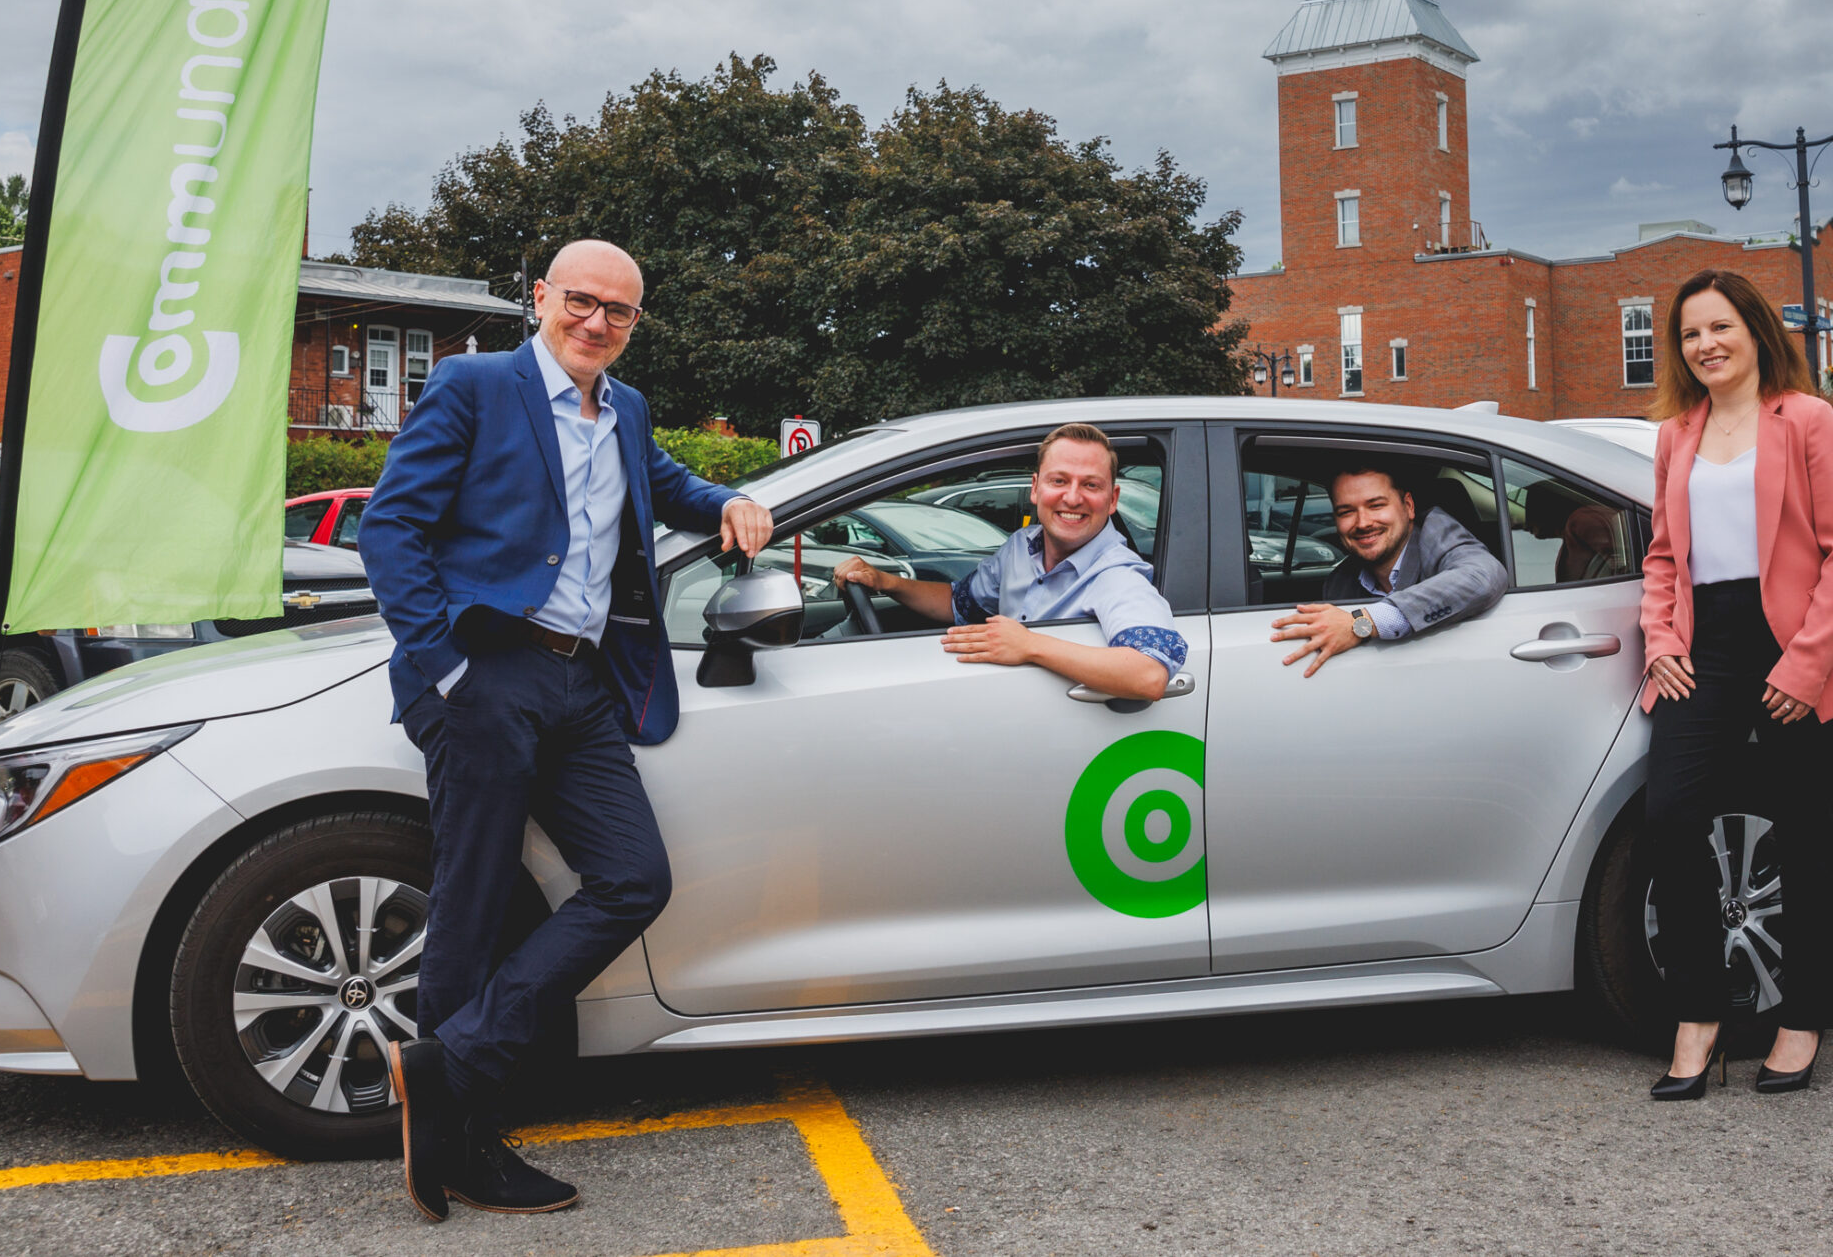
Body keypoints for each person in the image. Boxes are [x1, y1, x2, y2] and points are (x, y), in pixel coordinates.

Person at [360, 240, 775, 1218]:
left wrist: (734, 500)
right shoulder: (474, 386)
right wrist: (448, 665)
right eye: (581, 302)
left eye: (619, 312)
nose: (597, 323)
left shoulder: (622, 408)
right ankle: (464, 1143)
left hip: (580, 684)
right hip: (488, 672)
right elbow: (391, 528)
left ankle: (447, 1064)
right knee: (473, 905)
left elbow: (667, 484)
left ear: (634, 324)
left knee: (635, 876)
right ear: (540, 297)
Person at [1638, 268, 1833, 1101]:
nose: (1705, 344)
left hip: (1793, 639)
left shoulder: (1806, 419)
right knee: (1669, 815)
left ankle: (1801, 1017)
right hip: (1706, 644)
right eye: (1691, 333)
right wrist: (1660, 635)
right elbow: (1664, 554)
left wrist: (1806, 666)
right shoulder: (1675, 433)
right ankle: (1699, 1016)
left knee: (1802, 829)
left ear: (1754, 330)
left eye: (1720, 327)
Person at [834, 423, 1184, 701]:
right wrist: (886, 581)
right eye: (1059, 481)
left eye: (1091, 485)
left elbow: (1149, 674)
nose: (1073, 497)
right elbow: (959, 604)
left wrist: (1029, 645)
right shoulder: (1021, 547)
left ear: (1112, 499)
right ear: (1035, 489)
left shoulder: (1116, 575)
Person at [1270, 465, 1508, 675]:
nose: (1363, 523)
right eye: (1346, 512)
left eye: (1376, 505)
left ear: (1408, 506)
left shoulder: (1436, 533)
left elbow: (1482, 576)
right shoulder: (1338, 583)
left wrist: (1362, 623)